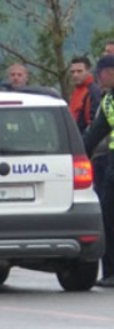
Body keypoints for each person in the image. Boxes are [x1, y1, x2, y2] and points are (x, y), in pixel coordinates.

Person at [83, 55, 114, 287]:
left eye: (100, 72)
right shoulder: (108, 100)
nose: (97, 77)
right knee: (108, 215)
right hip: (111, 163)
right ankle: (111, 272)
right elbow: (94, 134)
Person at [69, 56, 104, 194]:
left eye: (79, 71)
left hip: (87, 148)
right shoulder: (77, 91)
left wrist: (85, 146)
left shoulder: (92, 92)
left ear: (88, 71)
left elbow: (94, 123)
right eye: (73, 72)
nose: (75, 75)